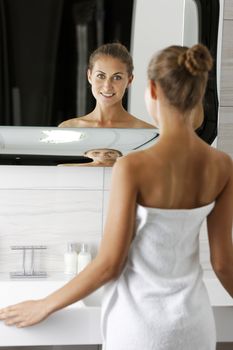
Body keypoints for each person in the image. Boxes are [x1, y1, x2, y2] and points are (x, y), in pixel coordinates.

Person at [0, 44, 232, 350]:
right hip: (194, 324)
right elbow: (223, 264)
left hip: (139, 327)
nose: (108, 85)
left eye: (117, 77)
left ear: (147, 87)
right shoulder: (222, 164)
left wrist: (45, 304)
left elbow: (109, 263)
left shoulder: (133, 164)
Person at [58, 42, 155, 129]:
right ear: (89, 76)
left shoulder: (146, 132)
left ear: (129, 81)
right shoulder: (68, 129)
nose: (107, 86)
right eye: (101, 76)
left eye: (117, 77)